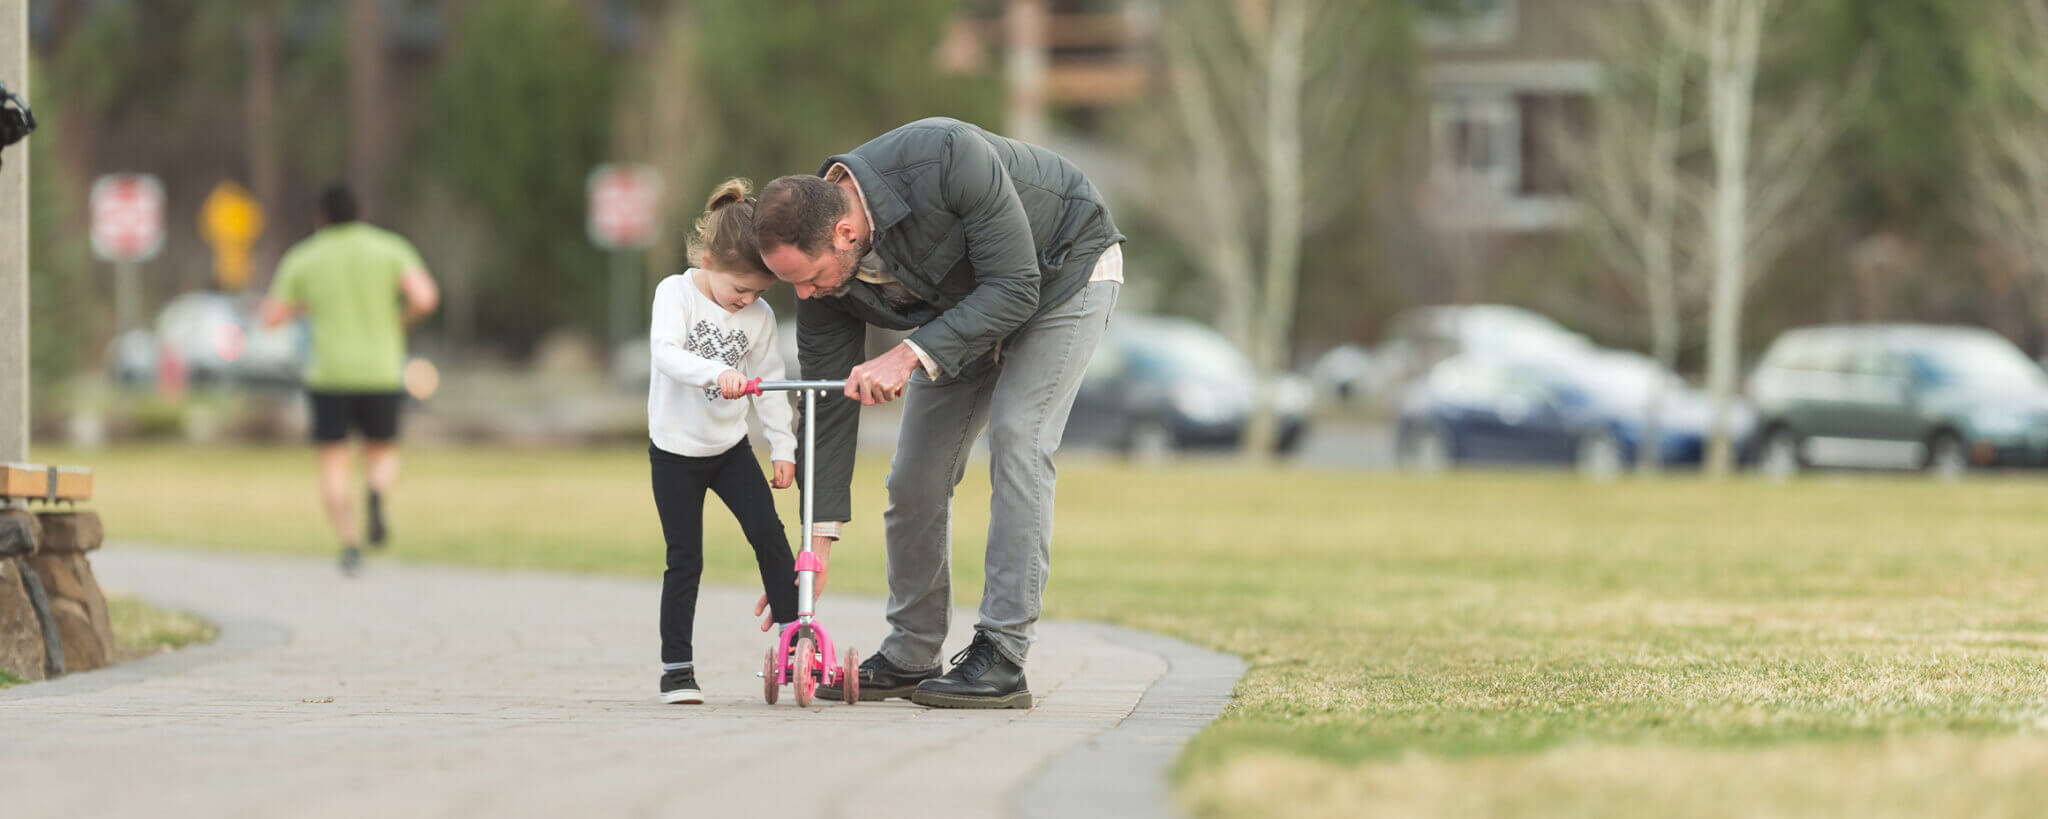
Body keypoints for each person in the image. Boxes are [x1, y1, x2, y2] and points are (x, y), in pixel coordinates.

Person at [752, 117, 1124, 709]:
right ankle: (911, 653)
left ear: (846, 233)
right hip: (967, 308)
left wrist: (906, 356)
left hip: (1063, 273)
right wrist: (814, 551)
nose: (804, 295)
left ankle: (1003, 657)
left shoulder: (947, 155)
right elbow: (828, 408)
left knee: (1019, 436)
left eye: (810, 278)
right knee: (914, 475)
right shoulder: (821, 277)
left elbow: (1016, 286)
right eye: (790, 284)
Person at [646, 179, 802, 705]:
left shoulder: (758, 319)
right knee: (685, 559)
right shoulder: (675, 294)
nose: (748, 300)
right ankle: (677, 671)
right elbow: (666, 352)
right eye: (741, 288)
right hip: (675, 452)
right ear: (708, 260)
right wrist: (717, 373)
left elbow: (772, 384)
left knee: (769, 534)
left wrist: (783, 448)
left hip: (730, 450)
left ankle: (795, 640)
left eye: (759, 292)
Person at [262, 183, 438, 576]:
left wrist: (308, 306)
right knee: (382, 454)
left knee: (333, 466)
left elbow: (272, 317)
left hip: (329, 375)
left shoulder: (305, 257)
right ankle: (375, 492)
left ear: (320, 216)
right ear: (361, 211)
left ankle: (350, 545)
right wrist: (400, 319)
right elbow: (425, 298)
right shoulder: (390, 248)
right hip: (381, 371)